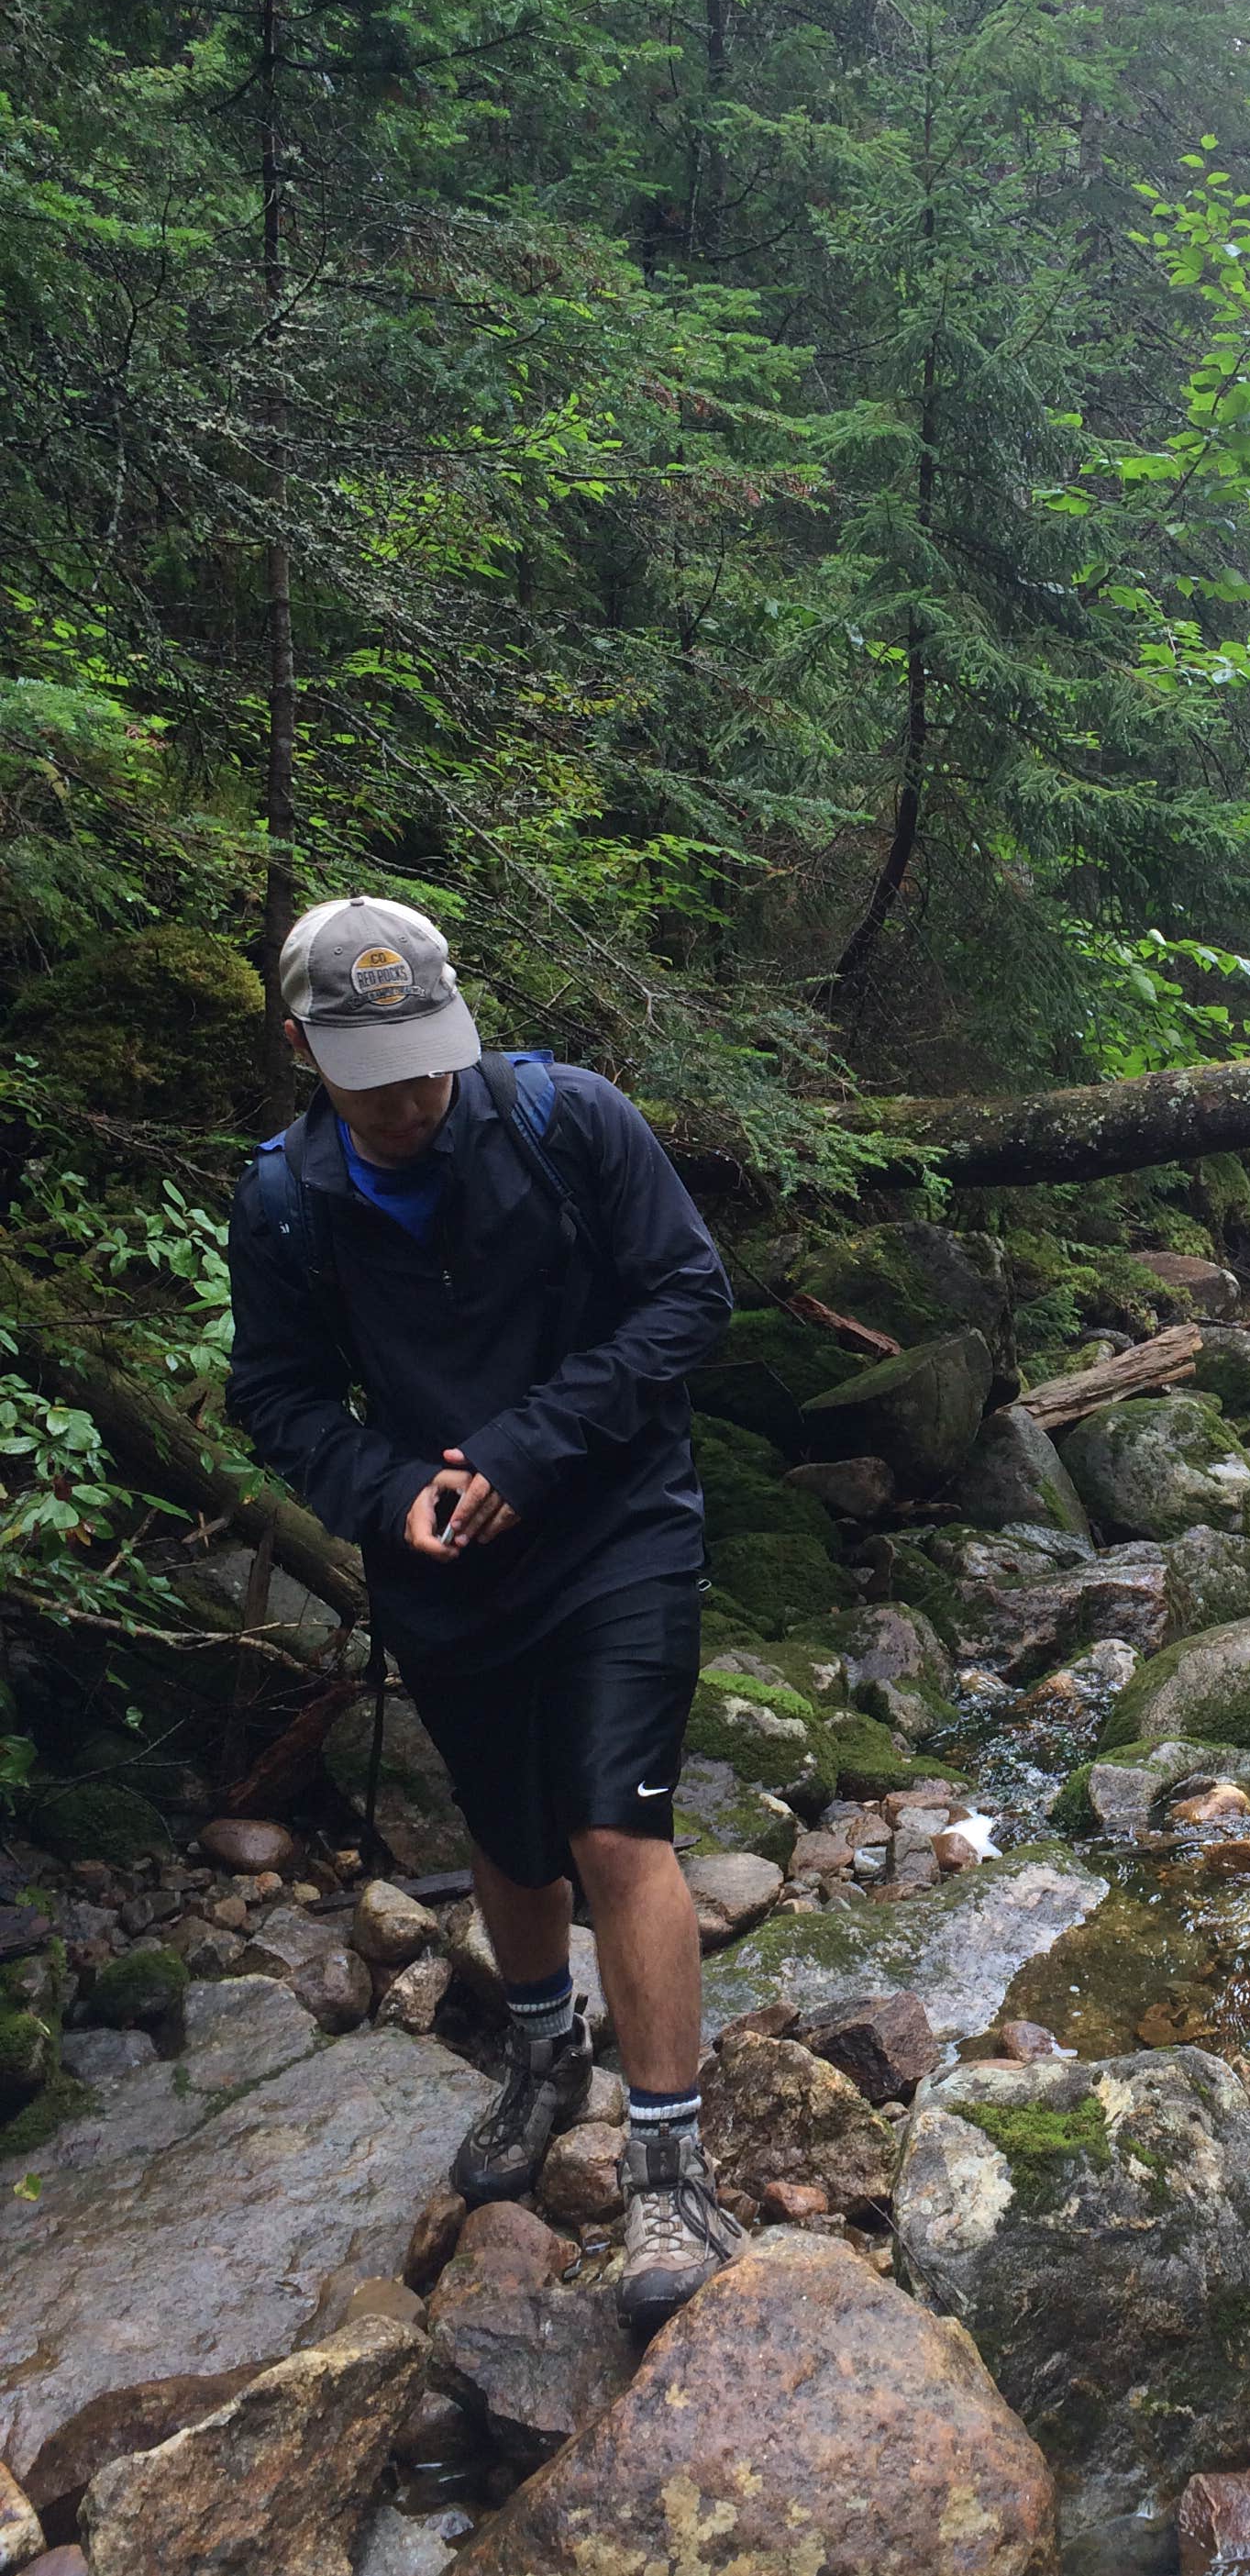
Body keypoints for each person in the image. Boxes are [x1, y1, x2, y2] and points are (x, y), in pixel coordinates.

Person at [227, 892, 742, 2332]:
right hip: (442, 1561)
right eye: (367, 1067)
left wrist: (529, 1447)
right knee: (508, 1834)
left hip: (616, 1519)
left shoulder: (568, 1123)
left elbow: (690, 1299)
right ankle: (537, 2053)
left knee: (615, 1823)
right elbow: (269, 1394)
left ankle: (667, 2166)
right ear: (300, 1046)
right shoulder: (281, 1200)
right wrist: (385, 1489)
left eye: (424, 1056)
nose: (405, 1095)